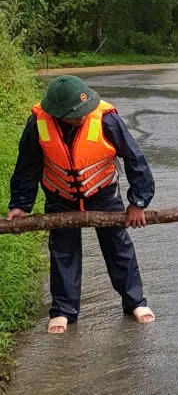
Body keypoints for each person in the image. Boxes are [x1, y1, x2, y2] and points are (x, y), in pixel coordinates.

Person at [6, 75, 156, 333]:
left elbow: (135, 158)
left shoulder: (106, 118)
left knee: (117, 246)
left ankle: (135, 301)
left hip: (102, 192)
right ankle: (63, 310)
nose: (83, 116)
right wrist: (20, 204)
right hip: (59, 194)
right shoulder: (38, 123)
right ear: (58, 113)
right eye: (76, 114)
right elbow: (27, 166)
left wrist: (138, 202)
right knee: (63, 250)